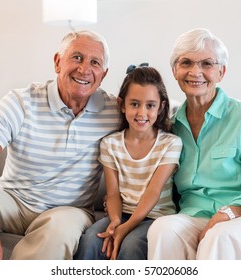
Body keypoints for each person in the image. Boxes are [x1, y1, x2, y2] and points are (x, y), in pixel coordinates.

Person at [0, 30, 121, 260]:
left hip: (69, 209)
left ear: (103, 74)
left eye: (94, 62)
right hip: (12, 199)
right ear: (57, 62)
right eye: (76, 57)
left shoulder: (115, 111)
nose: (84, 69)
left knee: (60, 230)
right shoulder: (22, 101)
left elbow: (153, 122)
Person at [147, 28, 241, 260]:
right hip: (198, 213)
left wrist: (227, 213)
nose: (196, 72)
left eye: (207, 64)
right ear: (175, 71)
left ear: (221, 72)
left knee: (221, 236)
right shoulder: (171, 127)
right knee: (162, 230)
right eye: (186, 62)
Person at [74, 65, 183, 260]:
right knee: (91, 239)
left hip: (155, 216)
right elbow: (113, 193)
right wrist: (115, 222)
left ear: (161, 107)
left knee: (131, 245)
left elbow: (153, 192)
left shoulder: (170, 143)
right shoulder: (110, 143)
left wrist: (127, 227)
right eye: (134, 104)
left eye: (150, 105)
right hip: (120, 214)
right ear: (122, 105)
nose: (141, 113)